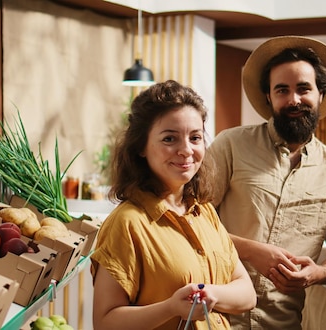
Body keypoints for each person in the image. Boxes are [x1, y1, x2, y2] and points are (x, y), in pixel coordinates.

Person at [207, 36, 326, 329]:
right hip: (215, 317)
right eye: (282, 90)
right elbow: (192, 222)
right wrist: (252, 251)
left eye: (303, 88)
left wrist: (319, 273)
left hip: (284, 322)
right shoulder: (231, 145)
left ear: (321, 94)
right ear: (268, 96)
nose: (293, 100)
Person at [91, 80, 257, 330]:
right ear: (141, 147)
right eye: (170, 138)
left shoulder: (204, 212)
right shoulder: (127, 223)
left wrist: (210, 294)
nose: (186, 150)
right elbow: (105, 322)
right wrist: (170, 308)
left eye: (195, 138)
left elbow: (247, 294)